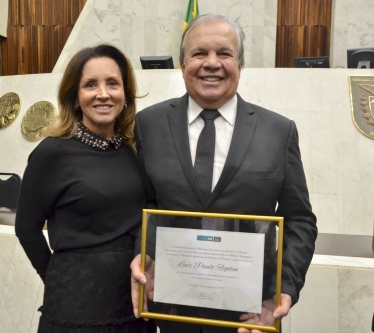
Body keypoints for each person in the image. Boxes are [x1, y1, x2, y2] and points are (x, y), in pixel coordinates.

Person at [130, 14, 317, 333]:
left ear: (240, 65)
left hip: (251, 319)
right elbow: (144, 206)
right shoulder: (149, 124)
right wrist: (142, 253)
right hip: (173, 313)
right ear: (182, 63)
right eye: (200, 53)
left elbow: (299, 220)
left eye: (225, 54)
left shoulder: (278, 132)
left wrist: (283, 289)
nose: (211, 63)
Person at [15, 44, 155, 333]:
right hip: (78, 308)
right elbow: (26, 228)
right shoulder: (52, 153)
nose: (103, 94)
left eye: (112, 84)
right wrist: (58, 278)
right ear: (75, 97)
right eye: (90, 84)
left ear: (125, 95)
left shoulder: (132, 150)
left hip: (133, 304)